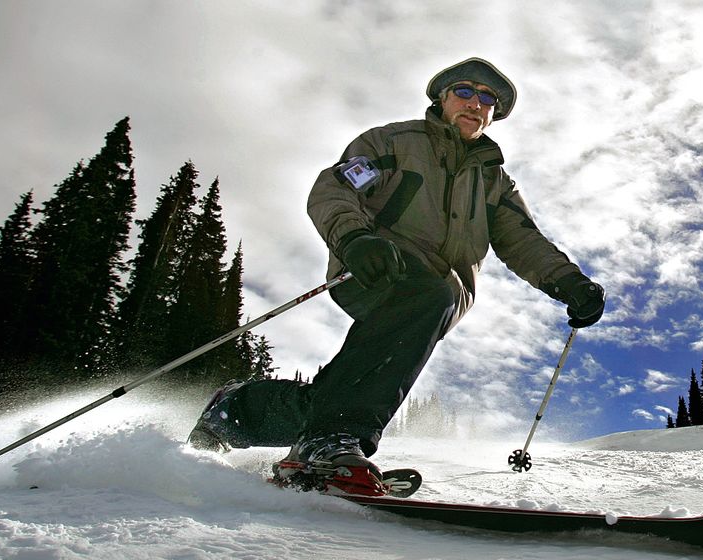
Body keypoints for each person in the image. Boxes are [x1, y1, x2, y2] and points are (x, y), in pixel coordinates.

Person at [189, 58, 605, 488]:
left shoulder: (495, 182)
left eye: (487, 99)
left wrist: (568, 281)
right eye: (464, 91)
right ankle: (328, 442)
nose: (475, 103)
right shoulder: (395, 142)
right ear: (442, 99)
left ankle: (236, 412)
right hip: (379, 265)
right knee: (417, 306)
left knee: (356, 382)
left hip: (444, 293)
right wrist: (354, 239)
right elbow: (335, 187)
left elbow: (523, 240)